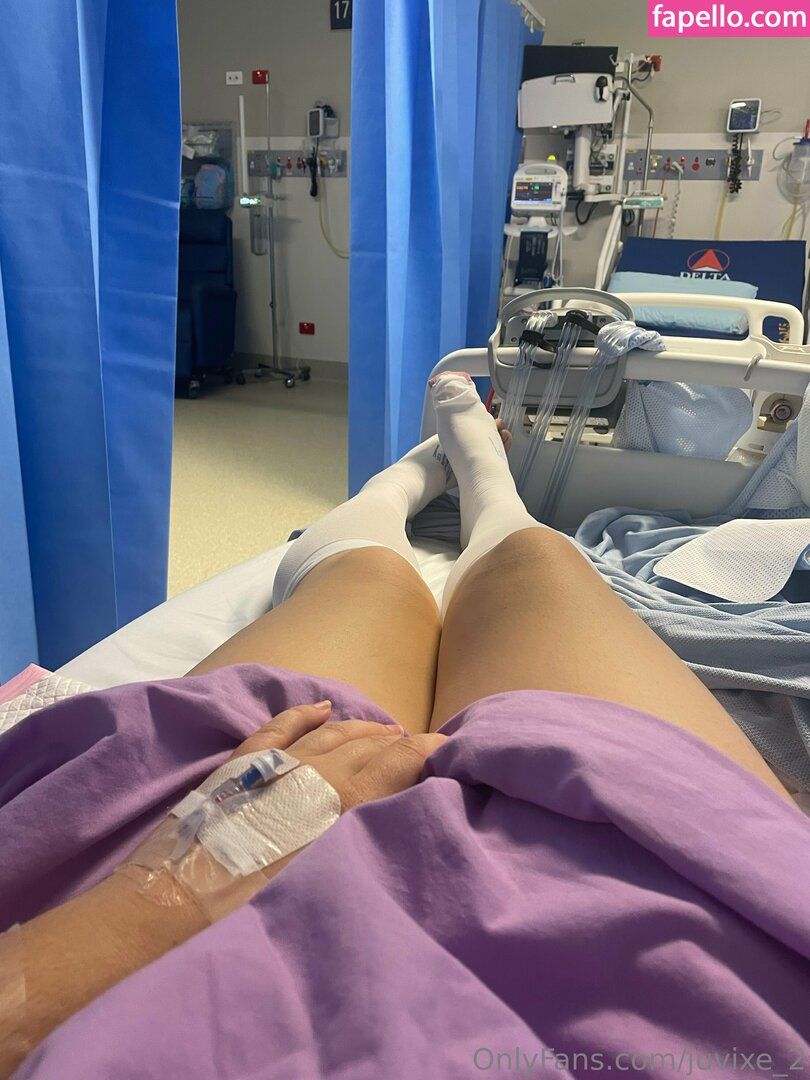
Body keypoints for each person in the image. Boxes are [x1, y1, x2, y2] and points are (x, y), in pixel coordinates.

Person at [1, 373, 808, 1079]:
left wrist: (167, 890)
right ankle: (488, 495)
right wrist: (174, 899)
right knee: (540, 569)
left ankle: (401, 491)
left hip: (98, 904)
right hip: (662, 963)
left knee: (364, 588)